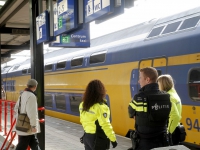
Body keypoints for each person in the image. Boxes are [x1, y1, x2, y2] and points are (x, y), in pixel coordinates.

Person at [128, 67, 171, 150]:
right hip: (162, 141)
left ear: (147, 79)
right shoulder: (166, 96)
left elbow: (131, 112)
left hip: (145, 142)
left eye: (140, 78)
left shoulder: (139, 97)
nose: (139, 81)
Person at [79, 79, 118, 150]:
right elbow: (105, 125)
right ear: (101, 92)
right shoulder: (101, 107)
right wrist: (113, 139)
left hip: (87, 137)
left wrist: (85, 135)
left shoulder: (83, 105)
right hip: (98, 139)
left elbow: (83, 121)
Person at [14, 79, 41, 150]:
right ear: (35, 87)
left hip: (22, 124)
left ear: (27, 86)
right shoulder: (31, 96)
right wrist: (34, 125)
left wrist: (19, 118)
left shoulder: (22, 94)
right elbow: (32, 113)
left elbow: (16, 108)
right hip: (27, 126)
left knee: (34, 143)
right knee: (22, 145)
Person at [157, 74, 182, 145]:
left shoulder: (169, 97)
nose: (158, 86)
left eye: (158, 83)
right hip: (176, 127)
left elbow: (175, 116)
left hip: (172, 130)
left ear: (162, 84)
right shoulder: (174, 94)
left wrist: (168, 132)